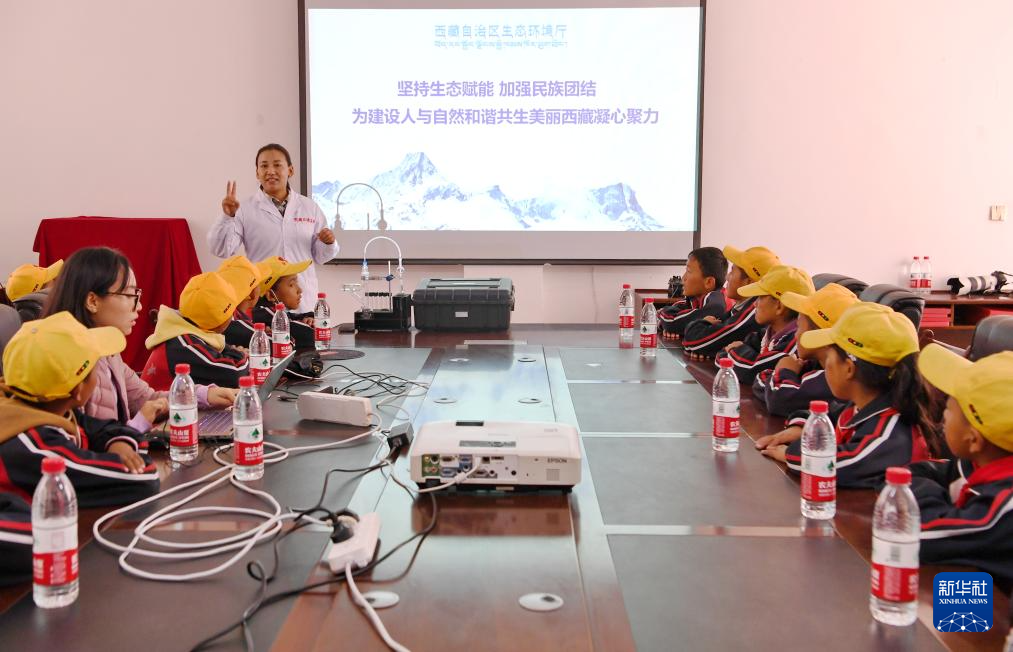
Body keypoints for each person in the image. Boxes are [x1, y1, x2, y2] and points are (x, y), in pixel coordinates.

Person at [43, 247, 237, 433]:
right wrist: (139, 424)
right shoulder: (70, 364)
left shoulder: (109, 354)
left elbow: (147, 399)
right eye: (130, 295)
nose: (139, 306)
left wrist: (205, 396)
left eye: (138, 295)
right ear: (93, 301)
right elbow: (85, 446)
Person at [761, 302, 939, 488]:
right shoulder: (862, 406)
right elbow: (827, 415)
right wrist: (801, 427)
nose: (825, 364)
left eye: (828, 355)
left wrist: (791, 452)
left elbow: (828, 464)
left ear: (848, 369)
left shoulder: (891, 435)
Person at [0, 312, 159, 508]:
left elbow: (104, 428)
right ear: (78, 390)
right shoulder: (34, 446)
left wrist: (120, 443)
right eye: (95, 366)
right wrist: (125, 450)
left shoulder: (53, 410)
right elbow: (143, 478)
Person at [912, 344, 1013, 593]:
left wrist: (909, 491)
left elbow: (919, 534)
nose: (943, 417)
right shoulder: (978, 465)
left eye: (948, 408)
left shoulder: (1005, 510)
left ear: (974, 440)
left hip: (994, 611)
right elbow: (919, 473)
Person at [207, 143, 337, 312]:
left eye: (277, 165)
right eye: (264, 166)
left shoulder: (309, 207)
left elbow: (321, 257)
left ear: (290, 170)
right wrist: (227, 217)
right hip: (263, 300)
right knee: (265, 328)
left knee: (304, 329)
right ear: (257, 172)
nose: (270, 171)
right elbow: (221, 249)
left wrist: (328, 243)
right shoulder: (245, 208)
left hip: (302, 300)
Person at [752, 283, 859, 417]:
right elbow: (761, 381)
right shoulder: (811, 364)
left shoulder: (833, 378)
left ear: (819, 335)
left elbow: (778, 398)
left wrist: (784, 371)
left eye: (799, 327)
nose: (795, 335)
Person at [142, 272, 248, 389]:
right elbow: (236, 373)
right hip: (165, 401)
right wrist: (241, 354)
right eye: (231, 311)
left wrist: (233, 352)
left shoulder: (188, 330)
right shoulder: (184, 345)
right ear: (220, 321)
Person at [714, 265, 814, 385]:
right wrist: (737, 355)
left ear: (779, 306)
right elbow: (722, 358)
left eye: (760, 297)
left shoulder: (795, 343)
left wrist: (736, 350)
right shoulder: (766, 335)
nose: (755, 304)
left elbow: (752, 371)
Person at [682, 245, 781, 360]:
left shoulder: (754, 312)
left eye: (732, 271)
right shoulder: (739, 308)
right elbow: (700, 343)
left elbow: (695, 342)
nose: (727, 277)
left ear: (748, 282)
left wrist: (702, 327)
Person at [658, 247, 728, 341]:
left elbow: (670, 321)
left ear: (708, 282)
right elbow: (665, 314)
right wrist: (668, 326)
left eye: (689, 271)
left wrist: (671, 326)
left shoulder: (716, 302)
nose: (683, 278)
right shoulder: (694, 299)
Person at [251, 256, 316, 350]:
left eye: (297, 282)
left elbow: (293, 316)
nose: (299, 290)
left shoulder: (269, 311)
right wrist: (310, 325)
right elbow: (307, 334)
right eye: (291, 284)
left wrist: (310, 318)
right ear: (271, 295)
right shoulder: (263, 313)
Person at [217, 255, 265, 349]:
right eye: (259, 283)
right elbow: (282, 344)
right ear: (252, 294)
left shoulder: (230, 319)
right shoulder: (237, 325)